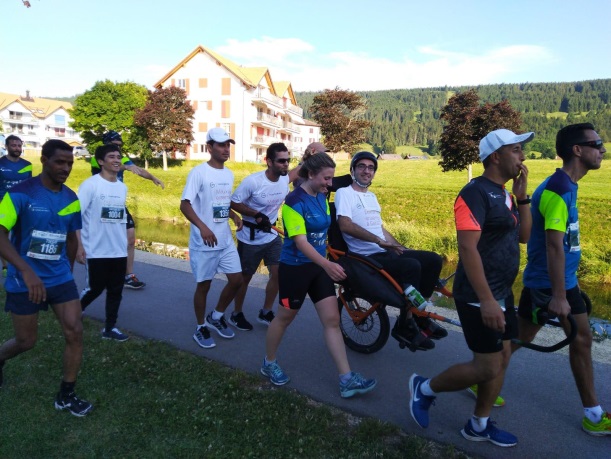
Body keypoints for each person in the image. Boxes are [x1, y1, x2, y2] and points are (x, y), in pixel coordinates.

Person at [409, 128, 532, 447]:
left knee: (502, 358)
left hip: (502, 291)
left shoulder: (505, 193)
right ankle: (424, 389)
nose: (522, 155)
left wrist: (522, 197)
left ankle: (478, 424)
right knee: (487, 364)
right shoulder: (474, 193)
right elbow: (467, 249)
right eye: (516, 149)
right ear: (496, 156)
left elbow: (524, 237)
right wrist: (487, 300)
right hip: (480, 295)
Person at [515, 123, 610, 436]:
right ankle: (478, 375)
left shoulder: (568, 184)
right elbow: (554, 245)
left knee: (580, 339)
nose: (603, 149)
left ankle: (593, 415)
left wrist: (570, 285)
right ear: (578, 150)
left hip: (563, 283)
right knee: (518, 339)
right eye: (597, 143)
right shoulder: (559, 189)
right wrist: (558, 295)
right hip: (547, 285)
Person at [260, 152, 377, 399]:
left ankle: (346, 379)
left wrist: (327, 262)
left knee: (332, 320)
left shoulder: (323, 196)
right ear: (311, 174)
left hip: (318, 268)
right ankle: (268, 362)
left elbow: (323, 233)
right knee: (284, 318)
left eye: (331, 179)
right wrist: (326, 264)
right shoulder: (293, 202)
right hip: (295, 268)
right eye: (326, 178)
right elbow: (301, 242)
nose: (329, 183)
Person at [0, 139, 92, 416]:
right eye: (60, 162)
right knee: (26, 341)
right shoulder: (21, 194)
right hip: (23, 279)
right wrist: (25, 270)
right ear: (44, 160)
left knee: (75, 332)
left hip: (59, 278)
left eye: (70, 163)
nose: (66, 168)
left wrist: (68, 276)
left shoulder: (71, 199)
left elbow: (71, 239)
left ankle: (66, 394)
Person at [335, 151, 446, 350]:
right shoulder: (345, 193)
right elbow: (345, 225)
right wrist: (378, 241)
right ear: (353, 170)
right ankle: (405, 324)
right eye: (361, 166)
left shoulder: (372, 197)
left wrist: (400, 248)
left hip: (382, 250)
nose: (366, 171)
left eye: (371, 168)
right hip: (365, 256)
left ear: (374, 173)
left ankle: (419, 316)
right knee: (411, 266)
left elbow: (380, 228)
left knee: (433, 260)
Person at [180, 127, 243, 349]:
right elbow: (184, 204)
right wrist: (203, 227)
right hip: (204, 241)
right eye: (221, 145)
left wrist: (233, 214)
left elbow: (222, 203)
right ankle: (200, 327)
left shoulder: (228, 173)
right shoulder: (199, 172)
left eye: (228, 145)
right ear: (209, 147)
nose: (226, 149)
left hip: (224, 239)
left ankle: (215, 316)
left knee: (237, 280)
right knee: (204, 286)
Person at [229, 143, 302, 330]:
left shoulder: (283, 179)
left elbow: (300, 169)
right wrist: (255, 214)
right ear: (269, 161)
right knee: (245, 278)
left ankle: (265, 311)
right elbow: (234, 202)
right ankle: (236, 314)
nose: (286, 164)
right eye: (281, 161)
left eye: (288, 160)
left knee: (278, 274)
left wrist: (310, 155)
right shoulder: (253, 182)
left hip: (271, 236)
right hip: (250, 239)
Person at [94, 131, 165, 289]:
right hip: (102, 204)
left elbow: (137, 169)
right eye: (114, 146)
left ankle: (128, 275)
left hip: (118, 204)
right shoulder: (97, 158)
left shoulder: (121, 159)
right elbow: (117, 166)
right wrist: (126, 167)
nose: (117, 150)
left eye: (119, 146)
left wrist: (153, 178)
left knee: (130, 238)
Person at [77, 144, 129, 342]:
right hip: (96, 249)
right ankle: (75, 311)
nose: (117, 160)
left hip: (118, 250)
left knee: (116, 291)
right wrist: (79, 246)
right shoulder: (90, 185)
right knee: (95, 288)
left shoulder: (122, 187)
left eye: (119, 157)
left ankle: (110, 328)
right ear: (100, 161)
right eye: (111, 157)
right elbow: (76, 217)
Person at [0, 135, 33, 274]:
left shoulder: (27, 165)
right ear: (6, 147)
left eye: (19, 145)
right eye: (13, 145)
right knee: (3, 236)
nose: (17, 148)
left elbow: (30, 186)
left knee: (23, 233)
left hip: (22, 205)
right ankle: (6, 266)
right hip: (4, 205)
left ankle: (23, 262)